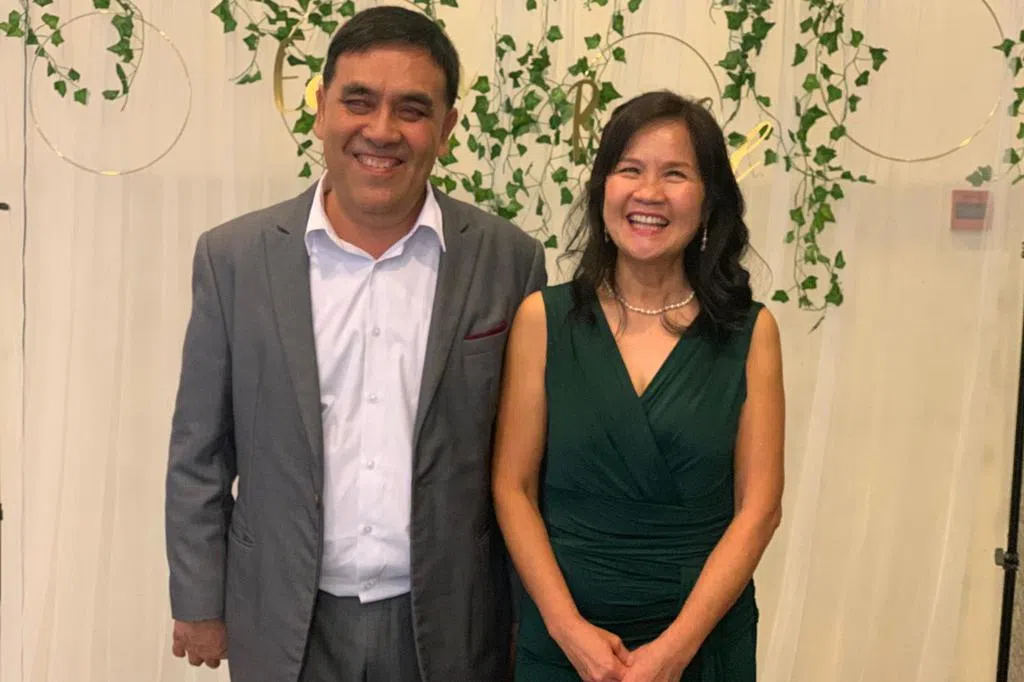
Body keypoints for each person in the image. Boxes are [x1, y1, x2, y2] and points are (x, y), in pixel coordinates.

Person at [164, 6, 546, 682]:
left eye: (413, 110)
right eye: (359, 102)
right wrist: (199, 598)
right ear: (320, 109)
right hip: (283, 615)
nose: (382, 130)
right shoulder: (235, 259)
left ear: (448, 129)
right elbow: (200, 450)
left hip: (451, 622)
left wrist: (532, 619)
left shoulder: (508, 262)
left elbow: (529, 463)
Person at [492, 91, 785, 682]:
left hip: (701, 643)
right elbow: (512, 487)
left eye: (675, 174)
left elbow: (760, 509)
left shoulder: (750, 333)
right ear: (603, 188)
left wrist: (674, 651)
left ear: (708, 200)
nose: (649, 192)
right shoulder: (542, 320)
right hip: (566, 641)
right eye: (630, 169)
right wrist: (567, 630)